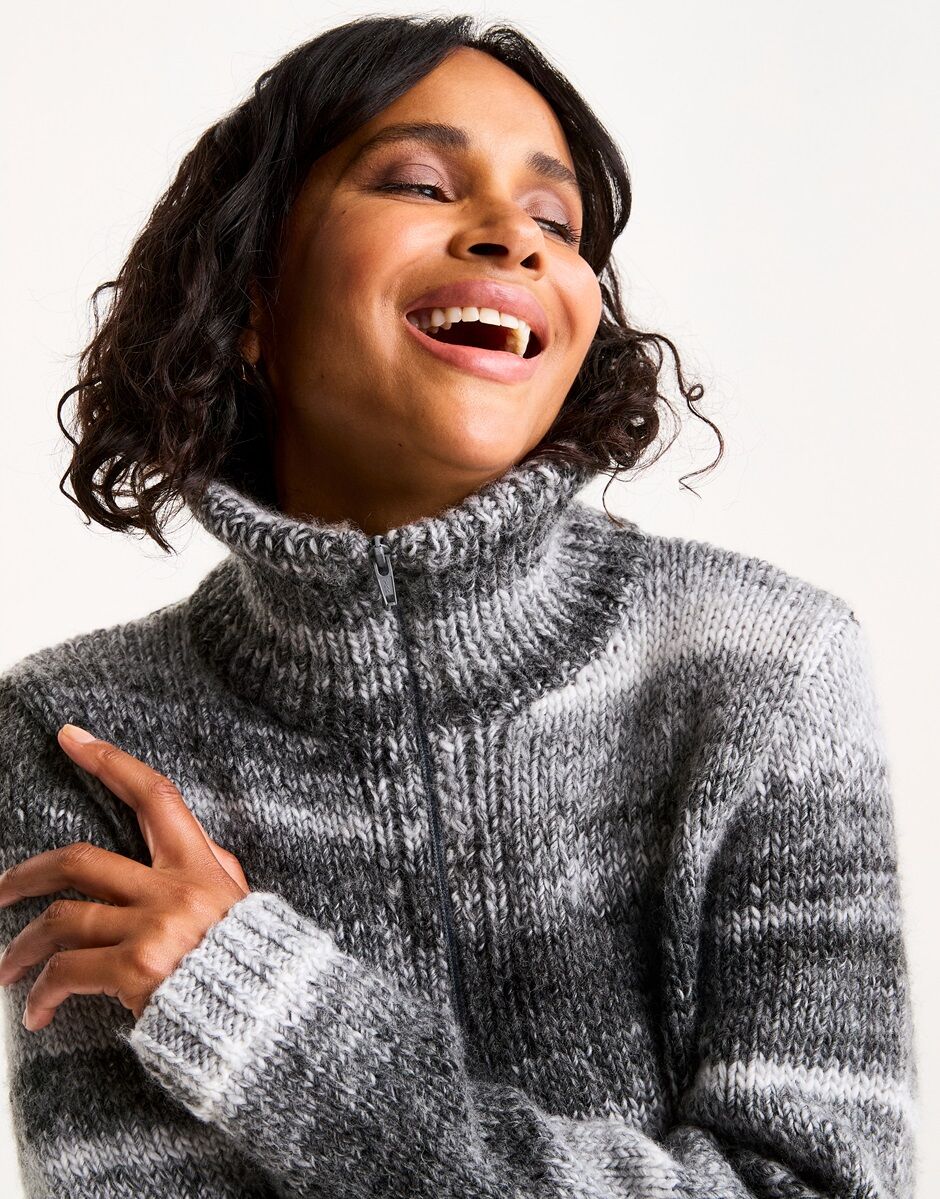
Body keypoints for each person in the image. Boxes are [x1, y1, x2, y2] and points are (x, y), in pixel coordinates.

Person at [0, 13, 917, 1199]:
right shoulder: (76, 735)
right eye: (421, 184)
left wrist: (270, 1020)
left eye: (556, 222)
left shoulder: (761, 671)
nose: (510, 236)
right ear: (250, 296)